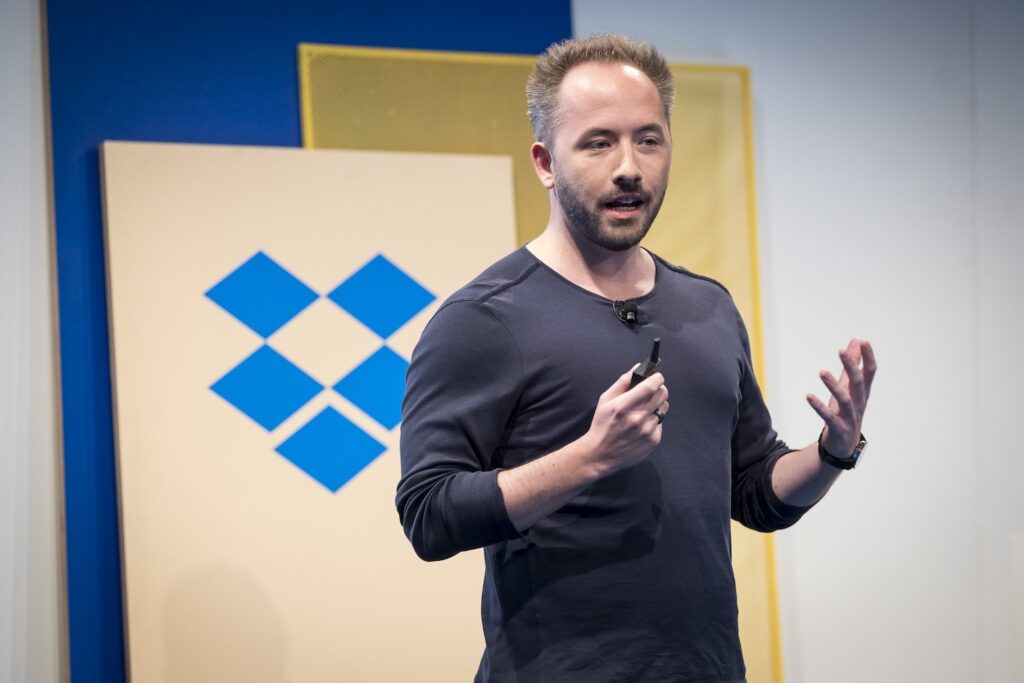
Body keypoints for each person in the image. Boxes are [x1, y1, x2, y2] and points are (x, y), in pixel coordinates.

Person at [396, 33, 876, 683]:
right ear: (544, 161)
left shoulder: (709, 308)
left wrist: (832, 452)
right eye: (599, 142)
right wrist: (591, 456)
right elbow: (429, 514)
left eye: (648, 140)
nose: (630, 167)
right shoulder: (482, 319)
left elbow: (755, 490)